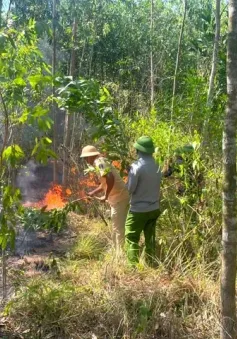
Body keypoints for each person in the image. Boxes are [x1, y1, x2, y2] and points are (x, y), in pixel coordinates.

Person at [80, 145, 129, 250]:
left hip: (119, 198)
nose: (86, 160)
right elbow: (105, 183)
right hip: (119, 197)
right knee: (116, 226)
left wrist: (106, 196)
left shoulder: (99, 162)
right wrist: (93, 193)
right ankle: (117, 251)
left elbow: (110, 179)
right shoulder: (101, 161)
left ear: (91, 156)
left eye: (86, 158)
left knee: (118, 228)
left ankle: (120, 254)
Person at [125, 136, 162, 266]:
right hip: (154, 208)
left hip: (138, 210)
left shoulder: (136, 167)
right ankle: (151, 263)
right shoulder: (158, 165)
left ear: (138, 150)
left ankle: (132, 266)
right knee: (150, 238)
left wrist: (127, 177)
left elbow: (130, 189)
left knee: (131, 237)